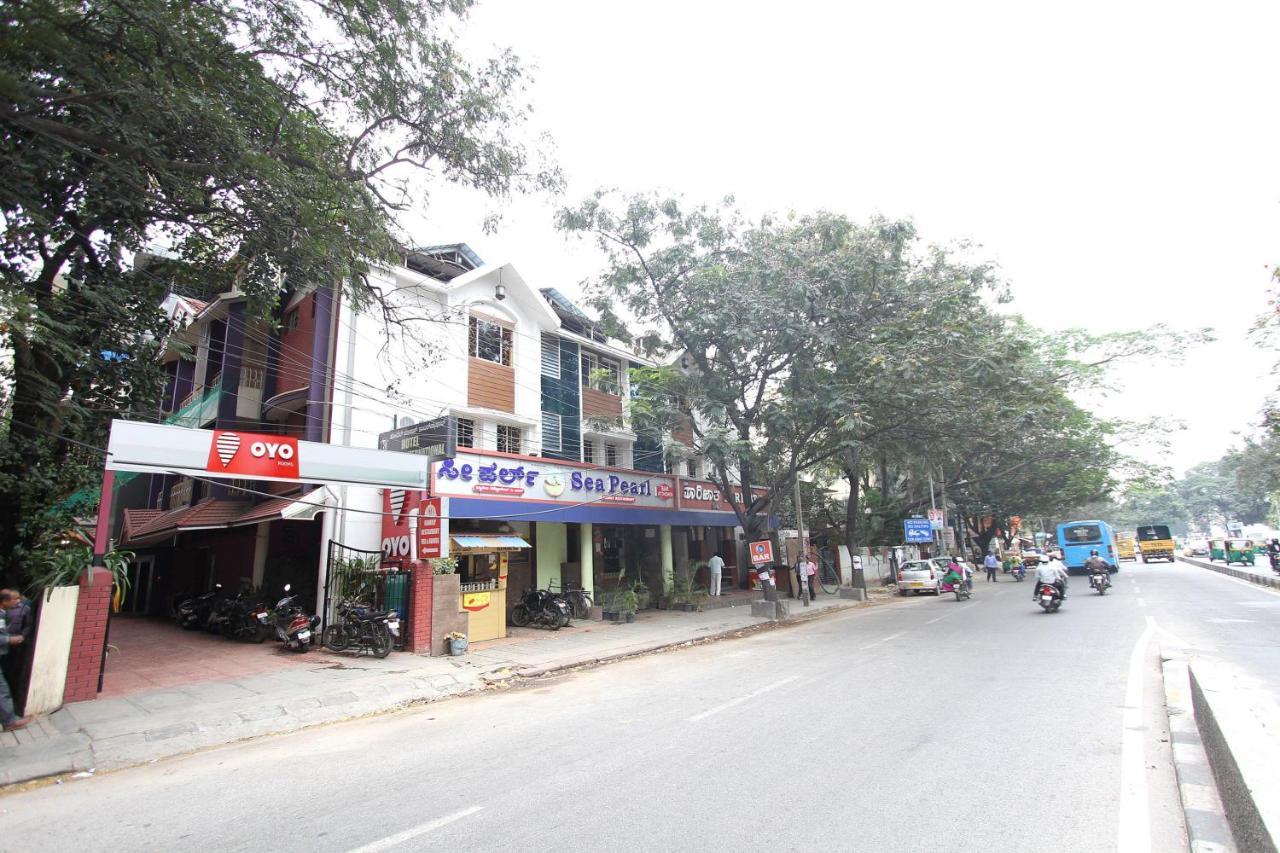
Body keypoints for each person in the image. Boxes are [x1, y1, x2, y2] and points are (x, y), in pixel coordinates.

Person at [0, 590, 32, 715]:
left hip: (9, 651)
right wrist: (10, 639)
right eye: (14, 599)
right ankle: (9, 720)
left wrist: (22, 637)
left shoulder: (25, 608)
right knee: (2, 689)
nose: (18, 601)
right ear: (5, 601)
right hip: (6, 647)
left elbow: (28, 625)